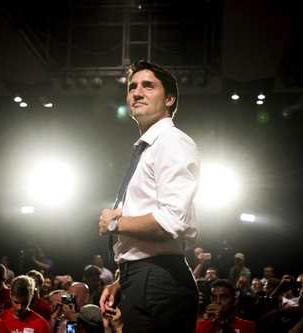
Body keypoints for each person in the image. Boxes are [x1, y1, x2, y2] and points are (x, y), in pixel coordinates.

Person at [98, 60, 199, 333]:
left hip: (159, 280)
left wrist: (115, 223)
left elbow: (171, 220)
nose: (137, 92)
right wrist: (121, 280)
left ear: (169, 98)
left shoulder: (171, 142)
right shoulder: (148, 148)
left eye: (148, 86)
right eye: (132, 87)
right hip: (143, 277)